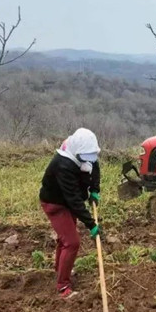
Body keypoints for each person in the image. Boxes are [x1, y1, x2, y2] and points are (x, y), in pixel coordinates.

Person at [39, 128, 102, 299]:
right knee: (72, 242)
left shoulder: (85, 153)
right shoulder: (63, 164)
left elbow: (94, 167)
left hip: (68, 201)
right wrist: (91, 224)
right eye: (86, 156)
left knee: (65, 240)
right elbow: (73, 200)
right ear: (78, 151)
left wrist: (95, 189)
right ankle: (63, 286)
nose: (90, 159)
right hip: (56, 204)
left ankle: (60, 270)